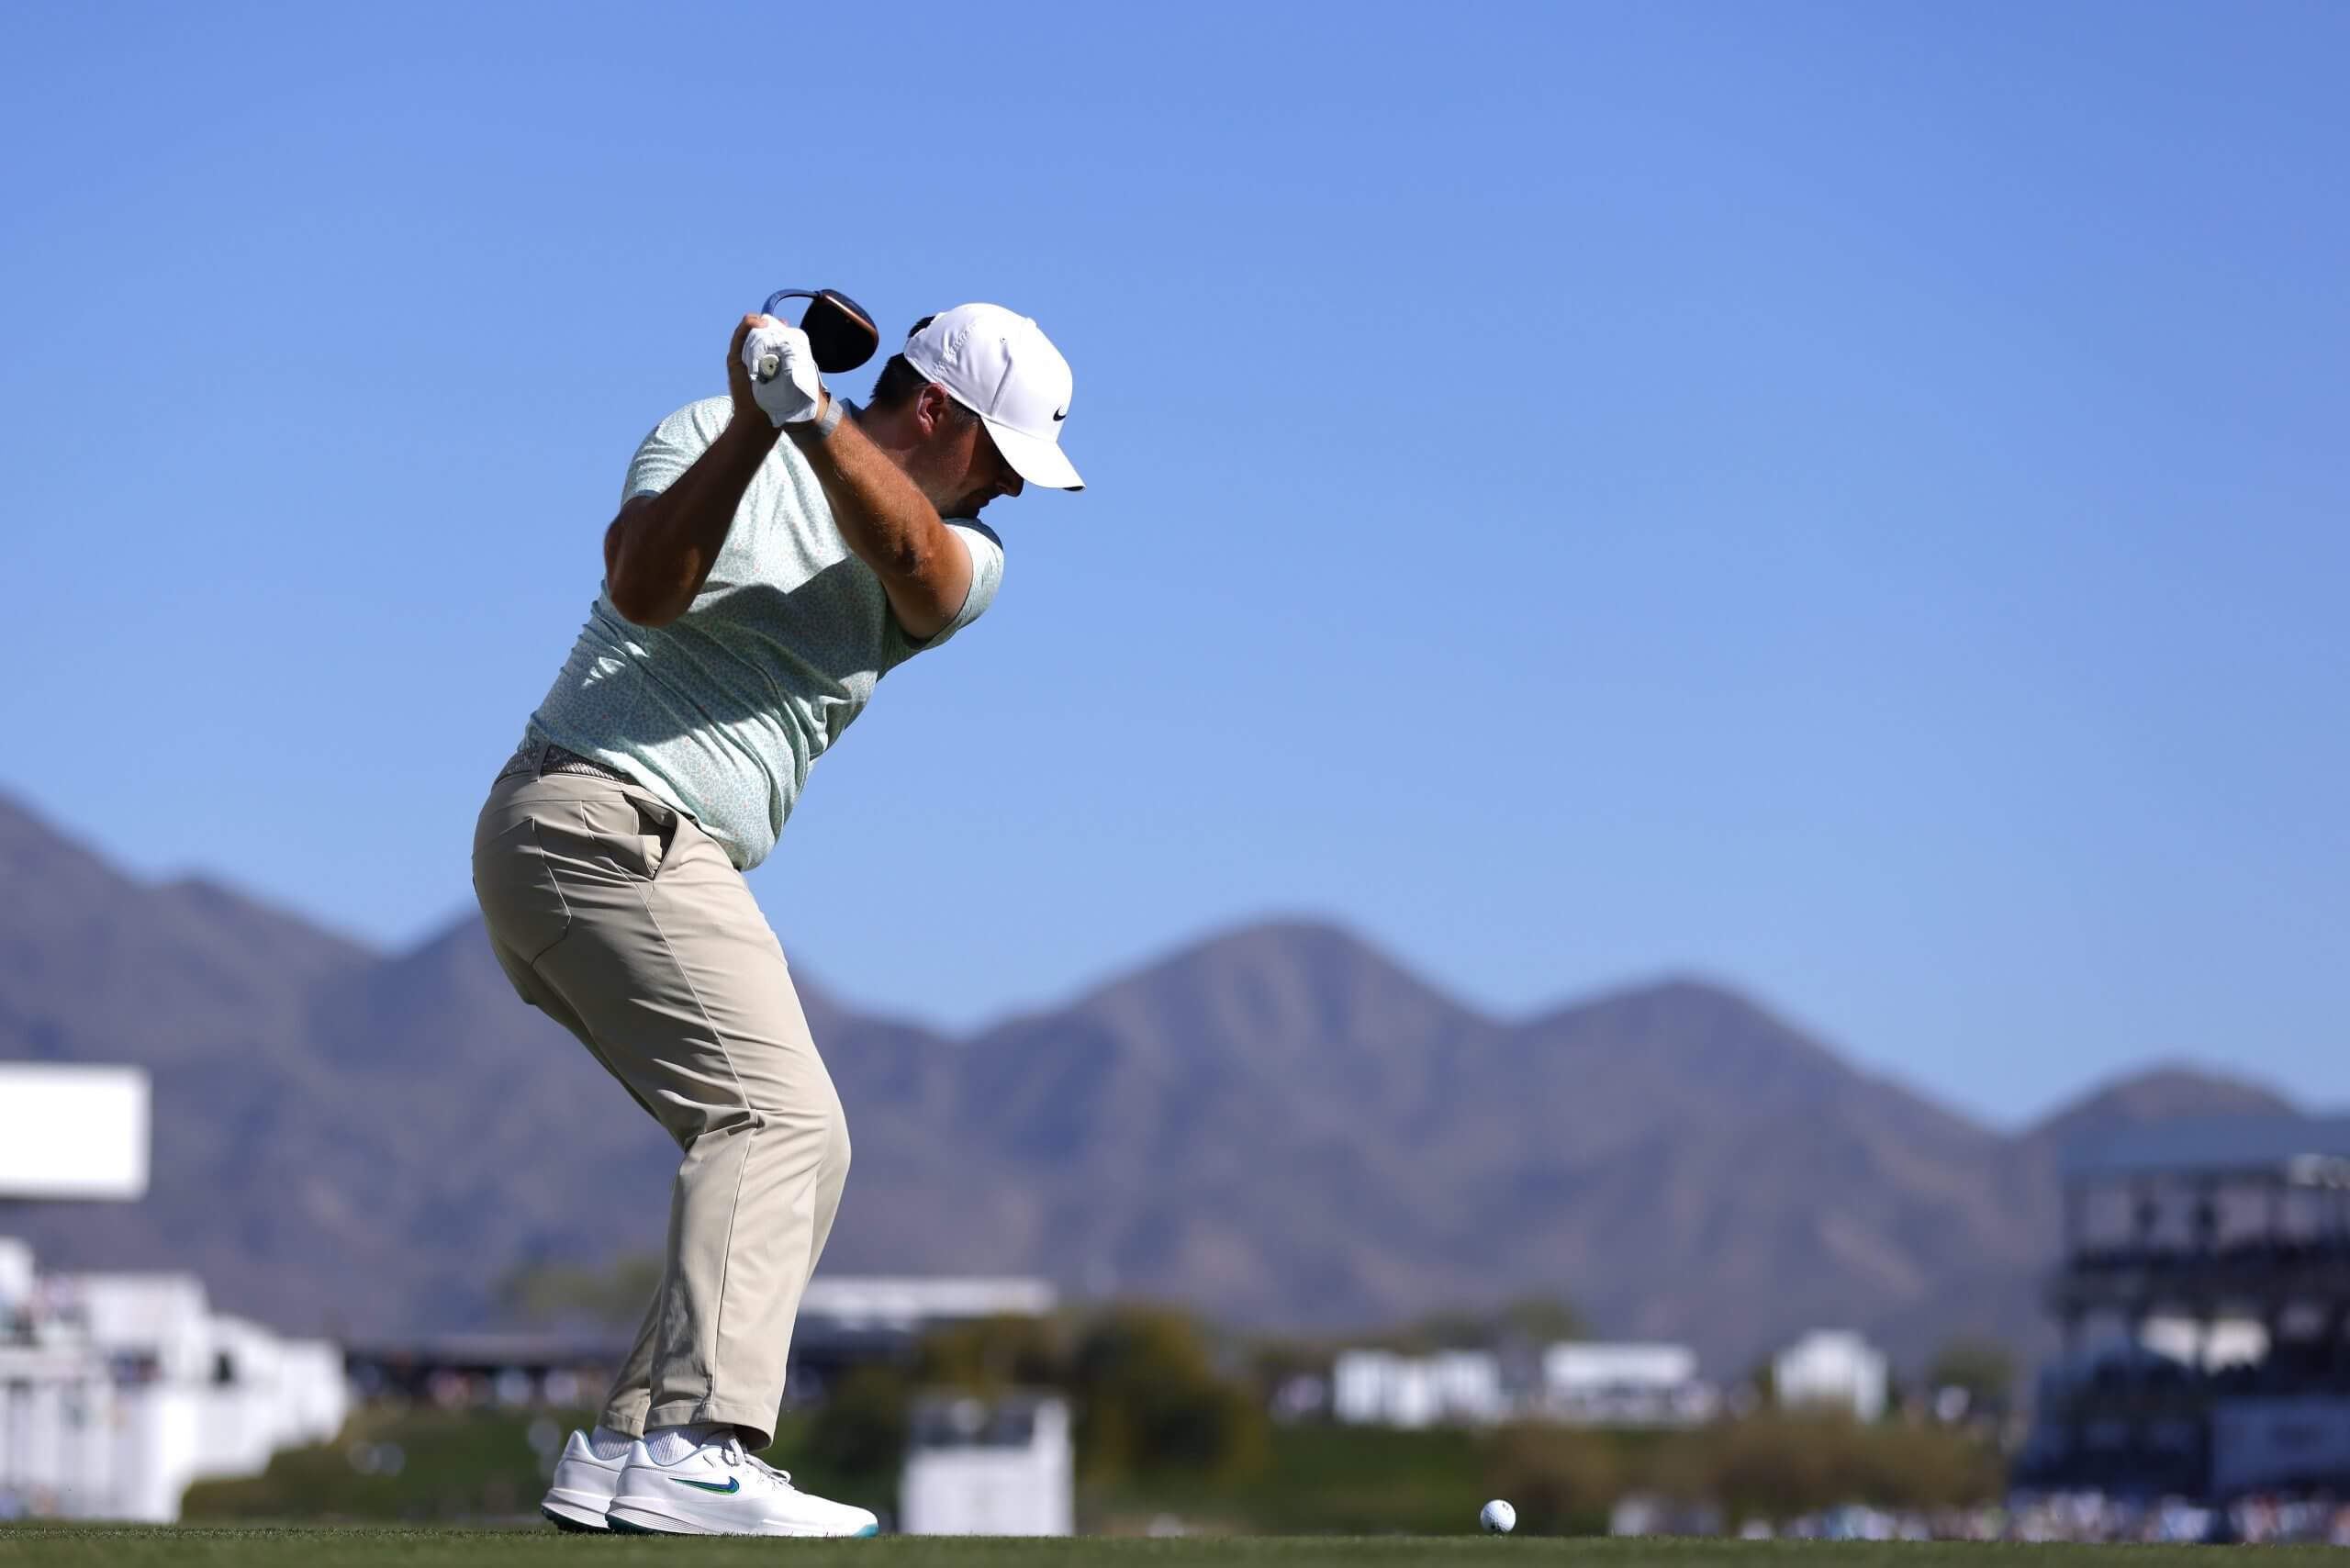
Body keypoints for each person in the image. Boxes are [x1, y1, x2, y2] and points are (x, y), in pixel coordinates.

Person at [472, 300, 1083, 1536]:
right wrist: (756, 425)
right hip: (594, 816)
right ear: (937, 410)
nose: (1012, 489)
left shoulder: (967, 557)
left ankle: (631, 1444)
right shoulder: (707, 431)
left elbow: (913, 559)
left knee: (809, 1148)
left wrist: (807, 417)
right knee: (776, 1121)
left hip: (647, 849)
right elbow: (643, 591)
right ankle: (698, 1442)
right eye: (1004, 456)